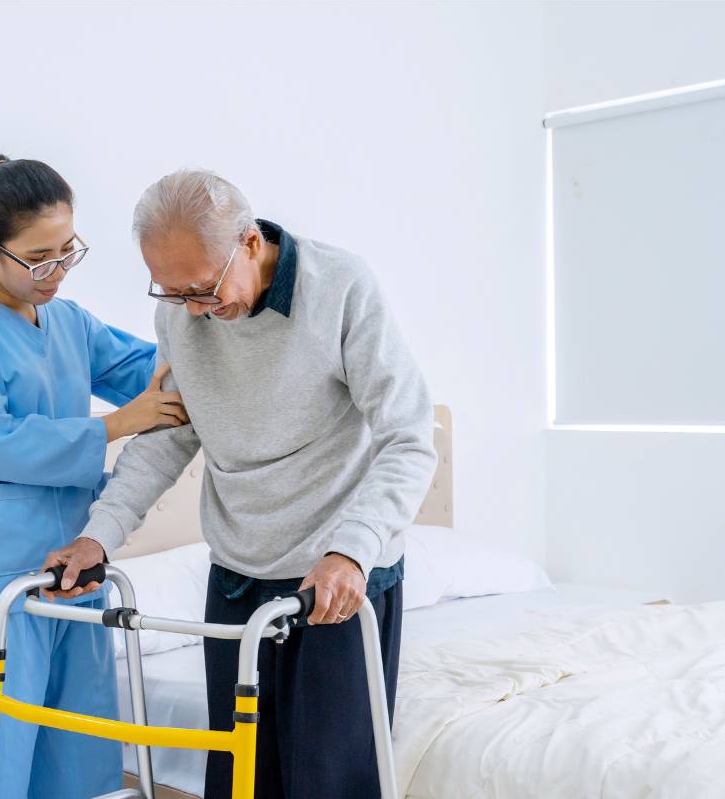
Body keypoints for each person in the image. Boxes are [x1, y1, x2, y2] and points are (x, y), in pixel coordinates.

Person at [43, 169, 437, 799]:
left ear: (251, 242)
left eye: (203, 289)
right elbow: (169, 436)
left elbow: (408, 436)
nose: (195, 309)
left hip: (337, 581)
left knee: (330, 786)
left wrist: (352, 551)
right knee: (241, 783)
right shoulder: (179, 314)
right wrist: (99, 536)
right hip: (238, 579)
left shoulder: (340, 287)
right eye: (173, 293)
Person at [0, 154, 188, 799]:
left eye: (67, 252)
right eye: (38, 258)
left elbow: (161, 372)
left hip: (74, 582)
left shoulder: (70, 322)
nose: (55, 272)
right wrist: (116, 425)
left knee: (79, 773)